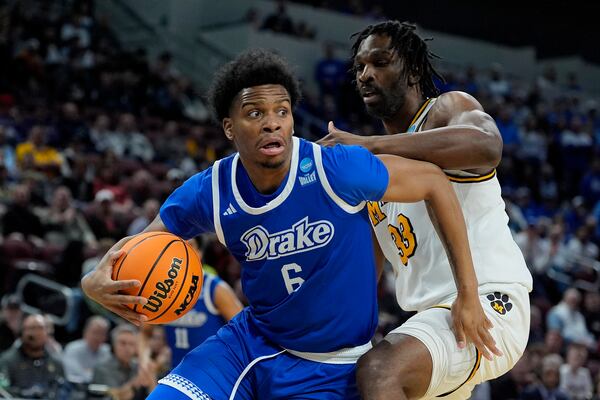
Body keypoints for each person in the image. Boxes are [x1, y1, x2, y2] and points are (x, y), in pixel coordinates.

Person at [82, 48, 495, 399]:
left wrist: (468, 292)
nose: (271, 122)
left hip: (333, 365)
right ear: (230, 127)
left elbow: (435, 183)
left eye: (282, 111)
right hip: (248, 344)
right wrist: (93, 281)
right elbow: (144, 243)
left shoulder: (337, 171)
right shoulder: (211, 190)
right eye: (255, 113)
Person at [318, 21, 532, 399]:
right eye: (360, 68)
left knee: (381, 371)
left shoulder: (446, 110)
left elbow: (487, 147)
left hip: (487, 301)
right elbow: (368, 271)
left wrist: (367, 146)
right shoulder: (377, 174)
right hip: (431, 321)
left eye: (380, 63)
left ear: (413, 70)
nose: (366, 74)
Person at [165, 236, 244, 367]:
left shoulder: (215, 288)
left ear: (199, 253)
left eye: (189, 246)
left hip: (212, 374)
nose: (184, 251)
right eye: (178, 247)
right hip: (176, 374)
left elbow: (245, 332)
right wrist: (146, 359)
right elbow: (145, 333)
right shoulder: (162, 291)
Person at [0, 313, 65, 398]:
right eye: (31, 328)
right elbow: (3, 391)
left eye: (40, 328)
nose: (36, 333)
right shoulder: (7, 361)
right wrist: (23, 393)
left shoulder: (56, 363)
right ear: (22, 332)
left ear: (47, 333)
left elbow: (65, 390)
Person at [62, 315, 111, 384]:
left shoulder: (107, 351)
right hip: (76, 389)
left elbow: (109, 376)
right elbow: (72, 374)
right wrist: (94, 375)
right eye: (95, 332)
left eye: (102, 333)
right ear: (85, 332)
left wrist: (89, 372)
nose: (98, 337)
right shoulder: (73, 348)